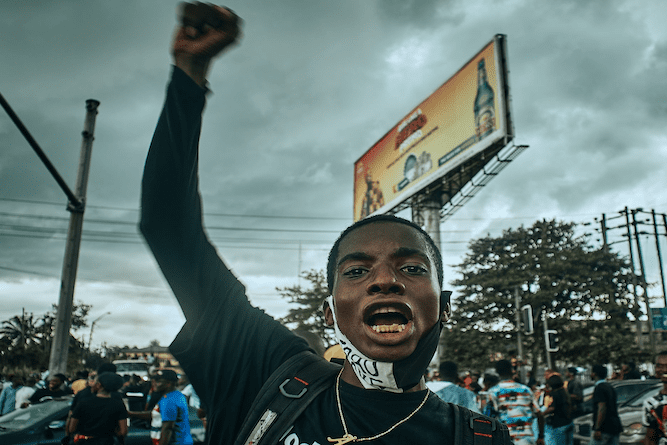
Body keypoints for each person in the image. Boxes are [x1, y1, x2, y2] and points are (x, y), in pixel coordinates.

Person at [138, 3, 508, 445]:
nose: (385, 280)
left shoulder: (477, 436)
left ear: (444, 307)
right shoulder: (265, 372)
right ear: (330, 312)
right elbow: (168, 227)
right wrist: (189, 75)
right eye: (356, 271)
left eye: (412, 267)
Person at [129, 370, 193, 445]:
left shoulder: (169, 400)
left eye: (159, 382)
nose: (155, 384)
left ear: (168, 384)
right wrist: (131, 414)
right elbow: (157, 414)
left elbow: (167, 428)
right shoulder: (174, 395)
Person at [487, 359, 543, 445]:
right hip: (526, 440)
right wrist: (541, 436)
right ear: (511, 370)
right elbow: (539, 414)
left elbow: (488, 417)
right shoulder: (526, 390)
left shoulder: (494, 392)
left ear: (497, 372)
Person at [68, 372, 128, 445]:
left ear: (99, 385)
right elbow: (123, 431)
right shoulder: (118, 404)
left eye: (95, 382)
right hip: (107, 441)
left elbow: (71, 429)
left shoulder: (83, 403)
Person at [589, 365, 621, 445]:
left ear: (594, 374)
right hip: (615, 426)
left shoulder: (599, 388)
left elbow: (602, 408)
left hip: (604, 428)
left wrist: (597, 428)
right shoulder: (610, 387)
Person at [543, 374, 573, 445]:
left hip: (559, 424)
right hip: (569, 422)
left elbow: (552, 408)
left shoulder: (554, 393)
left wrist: (542, 413)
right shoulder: (565, 392)